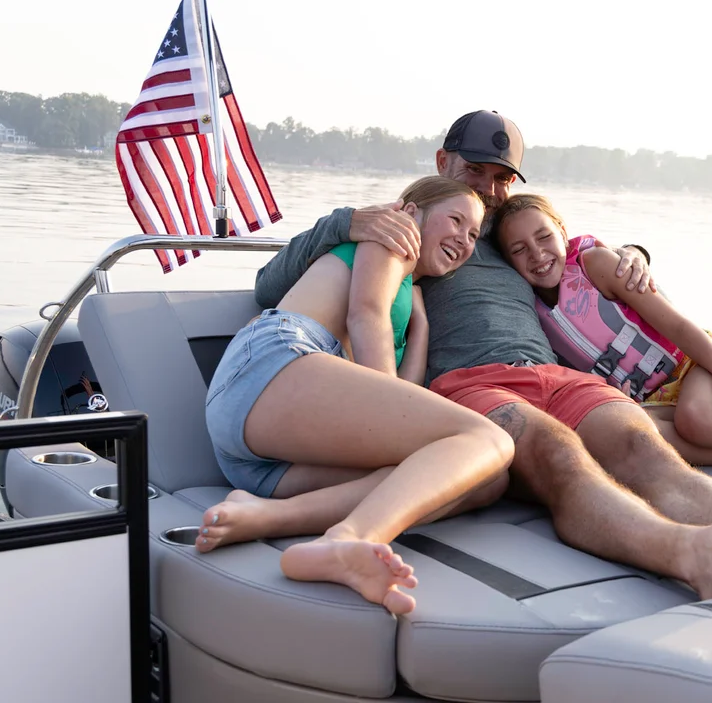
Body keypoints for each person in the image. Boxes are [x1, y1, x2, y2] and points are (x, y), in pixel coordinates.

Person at [251, 110, 712, 599]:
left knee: (643, 448)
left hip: (557, 376)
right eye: (475, 171)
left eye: (502, 179)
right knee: (558, 453)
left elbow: (572, 253)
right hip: (472, 387)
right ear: (442, 162)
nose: (488, 190)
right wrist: (350, 221)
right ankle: (693, 556)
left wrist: (634, 253)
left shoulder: (517, 238)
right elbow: (269, 284)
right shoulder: (409, 227)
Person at [200, 175, 514, 615]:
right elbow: (365, 316)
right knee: (493, 441)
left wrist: (420, 327)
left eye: (473, 234)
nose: (463, 239)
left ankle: (264, 517)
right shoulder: (390, 233)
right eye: (455, 220)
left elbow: (398, 394)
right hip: (275, 362)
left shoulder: (407, 293)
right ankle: (347, 539)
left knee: (476, 478)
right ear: (412, 210)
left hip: (265, 458)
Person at [491, 193, 712, 467]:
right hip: (653, 398)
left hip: (697, 362)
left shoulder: (596, 264)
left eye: (544, 236)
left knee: (696, 418)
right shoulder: (529, 315)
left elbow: (676, 325)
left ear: (562, 231)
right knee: (632, 431)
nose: (537, 254)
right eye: (519, 249)